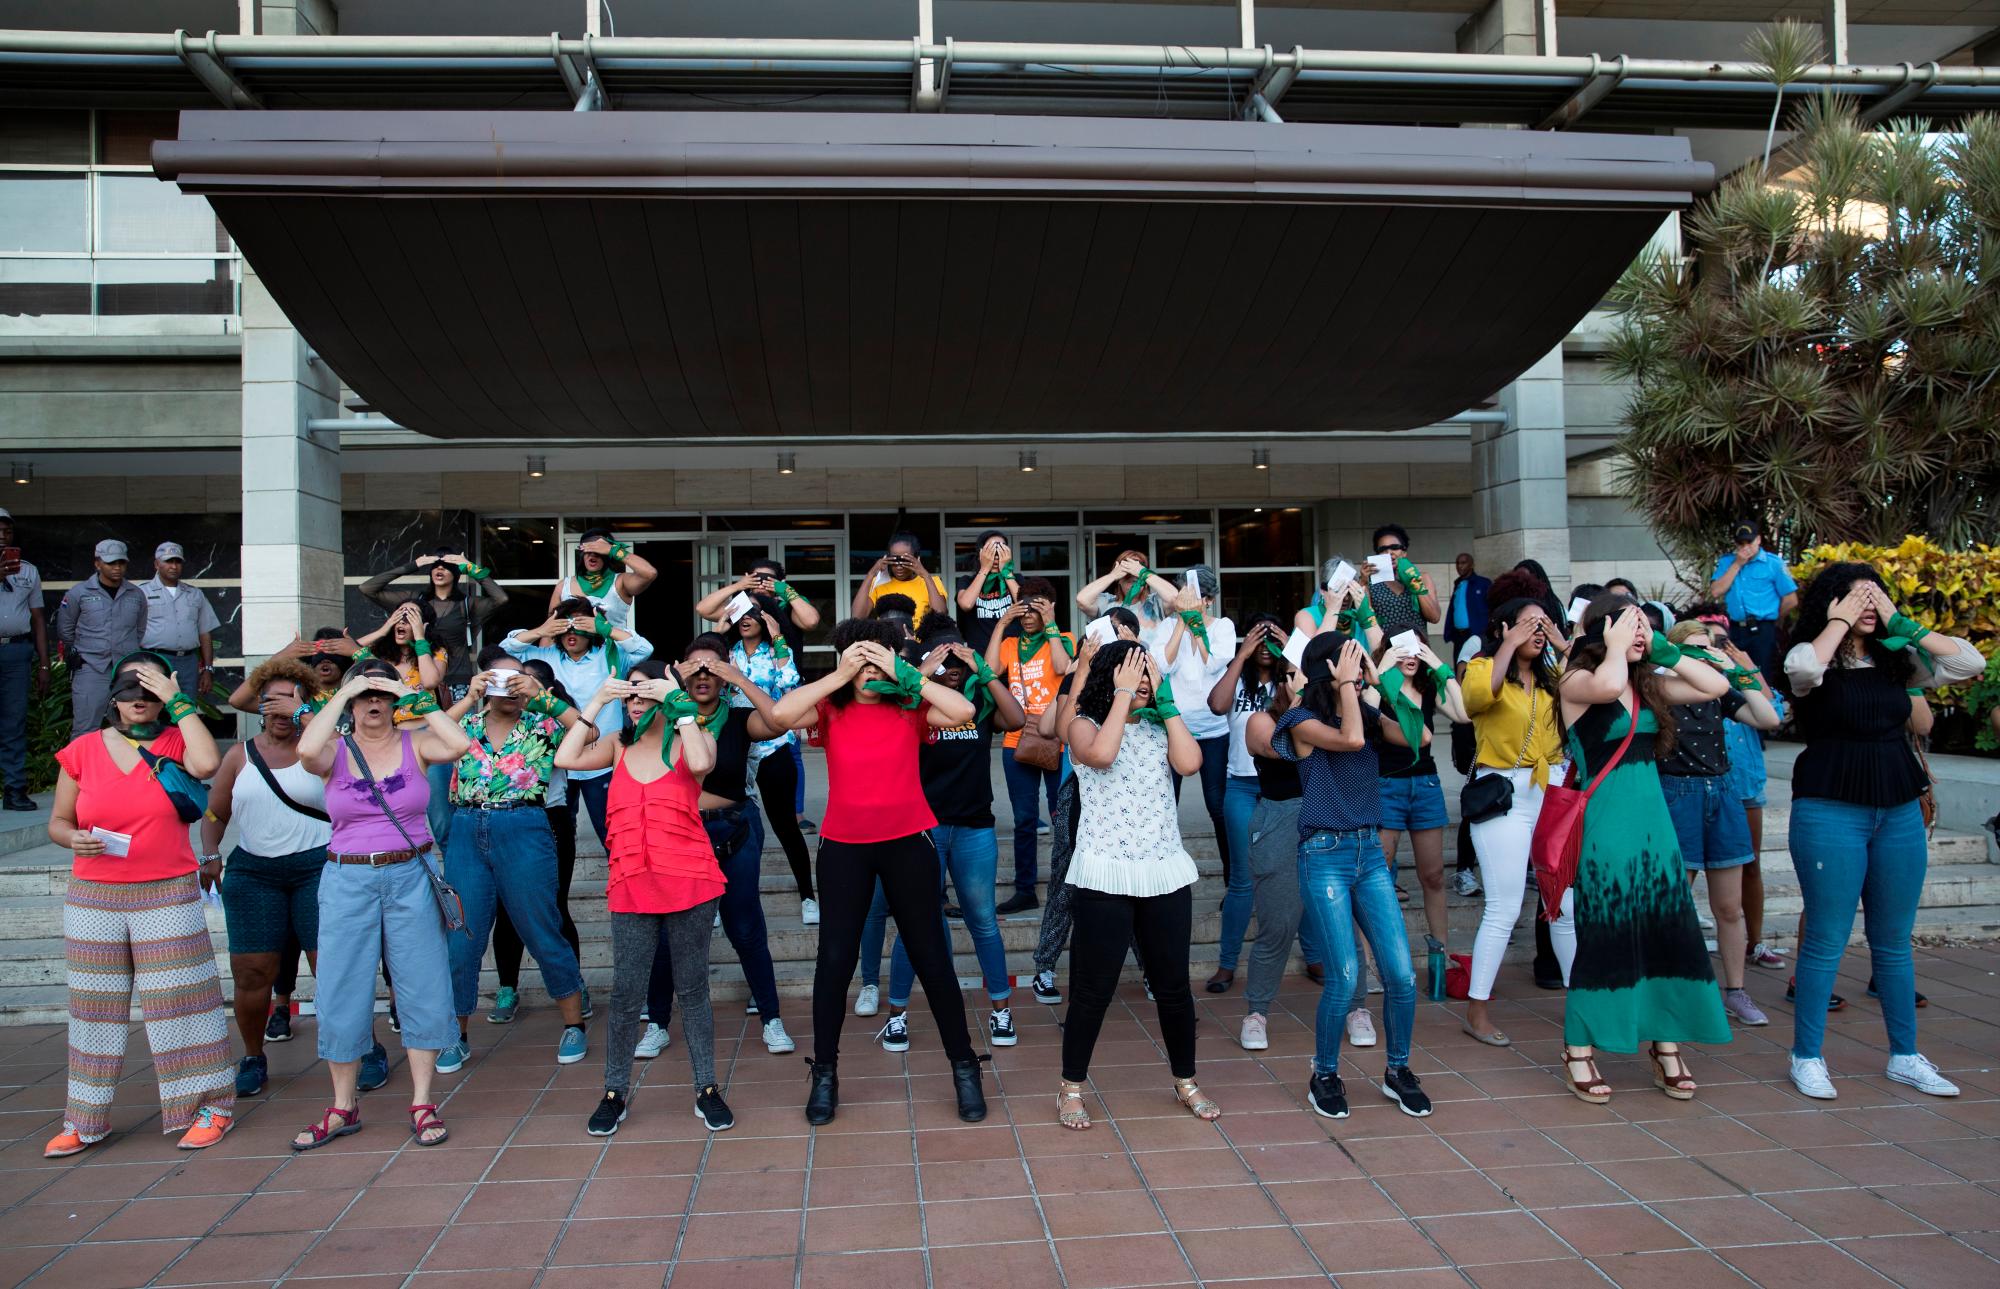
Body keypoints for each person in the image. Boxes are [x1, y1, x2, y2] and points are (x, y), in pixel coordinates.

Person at [764, 618, 986, 1125]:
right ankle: (824, 1072)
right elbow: (779, 714)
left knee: (932, 957)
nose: (870, 667)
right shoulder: (829, 705)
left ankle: (964, 1066)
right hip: (844, 846)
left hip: (909, 841)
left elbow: (964, 709)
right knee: (834, 962)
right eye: (859, 657)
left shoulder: (910, 704)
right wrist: (840, 674)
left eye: (878, 656)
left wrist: (903, 672)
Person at [1782, 565, 1985, 1101]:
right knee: (1826, 938)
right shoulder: (1811, 652)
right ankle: (1806, 1056)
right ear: (1830, 603)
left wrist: (1904, 624)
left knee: (1894, 942)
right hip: (1830, 807)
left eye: (1875, 596)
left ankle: (1906, 1056)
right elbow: (1803, 670)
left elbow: (1969, 661)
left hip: (1897, 805)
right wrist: (1837, 622)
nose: (1866, 606)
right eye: (1854, 596)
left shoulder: (1899, 659)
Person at [44, 651, 233, 1157]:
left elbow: (208, 763)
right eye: (130, 691)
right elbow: (59, 821)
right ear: (113, 698)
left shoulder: (175, 738)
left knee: (181, 999)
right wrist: (70, 840)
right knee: (93, 1008)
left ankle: (209, 1107)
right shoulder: (83, 749)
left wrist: (178, 699)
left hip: (167, 889)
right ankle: (83, 1120)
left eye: (150, 692)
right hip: (94, 894)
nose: (140, 701)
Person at [1554, 597, 1733, 1104]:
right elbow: (1607, 685)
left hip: (1655, 829)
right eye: (1632, 626)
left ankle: (1666, 1045)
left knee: (1666, 933)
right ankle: (1578, 1050)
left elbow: (1716, 686)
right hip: (1606, 830)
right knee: (1607, 935)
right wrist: (1615, 646)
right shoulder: (1576, 682)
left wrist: (1664, 651)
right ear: (1604, 630)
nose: (1641, 634)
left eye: (1647, 627)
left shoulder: (1647, 685)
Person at [291, 658, 470, 1151]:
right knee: (341, 985)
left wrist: (409, 693)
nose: (374, 702)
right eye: (365, 695)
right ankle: (342, 1106)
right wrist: (344, 694)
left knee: (423, 981)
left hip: (411, 873)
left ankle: (422, 1101)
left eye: (382, 695)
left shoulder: (417, 743)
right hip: (348, 876)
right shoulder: (334, 747)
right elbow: (306, 749)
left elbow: (458, 744)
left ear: (394, 701)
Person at [557, 657, 735, 1134]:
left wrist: (676, 703)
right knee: (626, 993)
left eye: (644, 691)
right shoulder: (615, 745)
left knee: (693, 990)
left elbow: (701, 764)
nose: (635, 700)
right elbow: (565, 758)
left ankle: (707, 1088)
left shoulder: (691, 740)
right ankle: (615, 1092)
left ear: (665, 693)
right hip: (632, 884)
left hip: (690, 882)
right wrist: (598, 699)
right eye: (629, 693)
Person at [1056, 639, 1218, 1130]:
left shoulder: (1160, 725)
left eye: (1149, 673)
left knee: (1173, 987)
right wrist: (1123, 695)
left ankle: (1186, 1080)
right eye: (1134, 673)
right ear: (1112, 677)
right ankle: (1071, 1086)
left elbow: (1190, 763)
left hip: (1163, 869)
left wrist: (1165, 705)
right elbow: (1101, 756)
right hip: (1105, 871)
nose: (1145, 682)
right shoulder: (1082, 724)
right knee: (1093, 989)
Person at [1269, 632, 1430, 1120]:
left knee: (1402, 974)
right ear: (1328, 668)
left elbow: (1419, 737)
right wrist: (1348, 688)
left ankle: (1398, 1070)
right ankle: (1324, 1073)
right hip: (1324, 852)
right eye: (1353, 662)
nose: (1360, 670)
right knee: (1342, 974)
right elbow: (1352, 741)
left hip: (1369, 851)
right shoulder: (1299, 719)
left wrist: (1382, 684)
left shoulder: (1362, 706)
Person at [634, 636, 795, 1059]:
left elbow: (779, 721)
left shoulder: (740, 718)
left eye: (713, 668)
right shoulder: (661, 719)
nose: (704, 675)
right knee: (668, 932)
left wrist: (738, 676)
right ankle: (657, 1022)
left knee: (745, 926)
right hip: (676, 832)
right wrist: (669, 683)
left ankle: (772, 1019)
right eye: (695, 668)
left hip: (732, 829)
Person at [866, 629, 1026, 1054]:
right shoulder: (915, 703)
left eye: (958, 663)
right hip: (922, 828)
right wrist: (922, 667)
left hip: (974, 826)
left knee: (983, 921)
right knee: (915, 923)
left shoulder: (979, 699)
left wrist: (984, 669)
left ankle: (1000, 1010)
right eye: (944, 662)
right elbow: (891, 707)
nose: (952, 670)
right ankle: (896, 1014)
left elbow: (1018, 720)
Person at [435, 647, 589, 1074]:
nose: (508, 686)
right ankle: (456, 1035)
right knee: (463, 936)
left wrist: (542, 696)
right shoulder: (464, 723)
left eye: (516, 678)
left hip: (524, 824)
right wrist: (469, 697)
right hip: (466, 828)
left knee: (541, 926)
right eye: (498, 678)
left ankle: (574, 1023)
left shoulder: (543, 723)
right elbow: (426, 741)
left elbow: (588, 733)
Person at [201, 657, 332, 1099]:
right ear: (258, 706)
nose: (277, 711)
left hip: (319, 866)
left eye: (288, 700)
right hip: (255, 871)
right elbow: (216, 812)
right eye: (269, 701)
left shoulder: (324, 748)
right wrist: (208, 854)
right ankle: (254, 1056)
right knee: (252, 972)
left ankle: (359, 1047)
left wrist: (307, 719)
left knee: (330, 966)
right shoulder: (240, 754)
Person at [1459, 596, 1571, 1046]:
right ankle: (1477, 1008)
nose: (1536, 631)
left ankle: (1582, 1002)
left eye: (1542, 624)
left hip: (1553, 790)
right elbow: (1474, 701)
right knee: (1504, 906)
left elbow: (1594, 688)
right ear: (1504, 628)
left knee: (1564, 906)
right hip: (1504, 792)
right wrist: (1509, 645)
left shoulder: (1553, 677)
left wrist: (1561, 643)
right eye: (1527, 624)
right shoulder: (1485, 667)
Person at [1658, 621, 1781, 1028]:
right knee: (1676, 903)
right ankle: (1674, 990)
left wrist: (1736, 669)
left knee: (1729, 907)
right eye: (1693, 650)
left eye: (1705, 648)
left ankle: (1736, 991)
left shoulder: (1719, 691)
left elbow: (1767, 718)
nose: (1702, 656)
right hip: (1678, 794)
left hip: (1723, 793)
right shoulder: (1659, 689)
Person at [502, 598, 654, 851]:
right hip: (557, 759)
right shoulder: (545, 656)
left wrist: (603, 628)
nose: (572, 631)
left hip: (601, 760)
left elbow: (643, 649)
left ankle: (622, 886)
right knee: (559, 835)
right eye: (566, 624)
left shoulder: (610, 655)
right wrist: (541, 630)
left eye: (579, 624)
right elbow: (505, 651)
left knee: (613, 832)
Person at [490, 658, 583, 1026]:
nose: (517, 689)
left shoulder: (554, 721)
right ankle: (507, 987)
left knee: (554, 907)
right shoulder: (488, 721)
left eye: (525, 684)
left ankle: (573, 985)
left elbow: (586, 731)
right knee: (505, 910)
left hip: (550, 819)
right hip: (499, 819)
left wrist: (544, 702)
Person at [698, 558, 821, 832]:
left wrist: (782, 590)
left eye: (769, 578)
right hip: (738, 711)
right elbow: (703, 608)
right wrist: (742, 585)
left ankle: (796, 814)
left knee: (789, 758)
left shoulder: (786, 607)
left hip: (781, 695)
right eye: (758, 577)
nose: (763, 583)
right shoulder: (741, 608)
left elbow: (812, 620)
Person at [1204, 612, 1290, 994]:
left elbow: (1308, 706)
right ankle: (1226, 964)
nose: (1266, 646)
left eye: (1272, 639)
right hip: (1240, 786)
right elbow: (1216, 705)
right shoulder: (1237, 677)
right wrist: (1241, 655)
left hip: (1286, 787)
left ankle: (1316, 956)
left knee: (1295, 875)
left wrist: (1289, 651)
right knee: (1241, 880)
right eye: (1260, 637)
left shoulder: (1291, 679)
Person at [1151, 565, 1236, 930]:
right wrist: (1182, 623)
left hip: (1214, 731)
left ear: (1208, 600)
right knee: (1164, 803)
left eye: (1195, 596)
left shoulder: (1223, 627)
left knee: (1218, 806)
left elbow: (1215, 662)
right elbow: (1159, 665)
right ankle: (1161, 880)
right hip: (1175, 731)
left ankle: (1235, 882)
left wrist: (1197, 625)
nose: (1185, 601)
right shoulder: (1168, 627)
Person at [1375, 634, 1467, 963]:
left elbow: (1464, 713)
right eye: (1402, 649)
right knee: (1378, 876)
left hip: (1425, 785)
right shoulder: (1379, 687)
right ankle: (1376, 961)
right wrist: (1384, 668)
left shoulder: (1428, 689)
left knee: (1434, 875)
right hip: (1386, 785)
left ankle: (1439, 956)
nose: (1411, 656)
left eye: (1417, 649)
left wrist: (1441, 668)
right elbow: (1368, 707)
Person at [726, 601, 815, 923]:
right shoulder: (727, 652)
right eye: (741, 615)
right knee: (726, 825)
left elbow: (791, 682)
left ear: (766, 620)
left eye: (754, 614)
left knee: (786, 827)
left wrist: (779, 639)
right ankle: (719, 900)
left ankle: (808, 896)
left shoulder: (776, 649)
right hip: (736, 747)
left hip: (774, 746)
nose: (747, 620)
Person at [989, 577, 1073, 914]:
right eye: (1023, 608)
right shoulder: (1010, 644)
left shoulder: (1063, 638)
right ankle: (1025, 889)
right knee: (1024, 819)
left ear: (1048, 608)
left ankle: (1066, 886)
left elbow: (1062, 667)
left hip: (1056, 738)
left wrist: (1050, 622)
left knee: (1061, 817)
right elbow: (990, 670)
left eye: (1035, 609)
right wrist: (1001, 623)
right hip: (1017, 739)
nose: (1028, 615)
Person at [1238, 668, 1306, 1051]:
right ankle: (1257, 1012)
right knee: (1277, 926)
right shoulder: (1261, 718)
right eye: (1295, 674)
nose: (1303, 680)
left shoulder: (1336, 716)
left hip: (1329, 822)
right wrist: (1301, 704)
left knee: (1344, 926)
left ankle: (1357, 1008)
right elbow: (1280, 748)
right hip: (1279, 821)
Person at [360, 547, 510, 699]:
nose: (440, 568)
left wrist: (471, 567)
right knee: (416, 721)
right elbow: (367, 588)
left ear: (456, 573)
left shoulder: (466, 604)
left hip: (456, 679)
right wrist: (413, 565)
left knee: (455, 723)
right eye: (436, 566)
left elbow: (501, 598)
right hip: (420, 676)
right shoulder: (415, 600)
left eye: (446, 566)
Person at [55, 539, 147, 740]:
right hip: (91, 668)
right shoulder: (79, 593)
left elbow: (140, 631)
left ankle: (127, 771)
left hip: (126, 669)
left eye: (121, 563)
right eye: (111, 563)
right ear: (97, 563)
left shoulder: (136, 594)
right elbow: (65, 630)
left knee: (131, 727)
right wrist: (83, 651)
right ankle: (80, 772)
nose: (117, 568)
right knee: (85, 730)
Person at [1707, 518, 1798, 686]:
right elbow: (1716, 591)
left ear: (1758, 539)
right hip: (1735, 627)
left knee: (1762, 676)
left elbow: (1791, 599)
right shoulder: (1727, 562)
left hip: (1762, 629)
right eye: (1740, 543)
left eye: (1749, 541)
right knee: (1735, 674)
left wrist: (1774, 618)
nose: (1745, 547)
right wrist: (1737, 564)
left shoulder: (1773, 563)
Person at [0, 510, 50, 811]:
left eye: (7, 531)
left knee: (14, 724)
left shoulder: (28, 571)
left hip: (17, 653)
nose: (2, 536)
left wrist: (44, 664)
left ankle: (14, 789)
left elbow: (38, 618)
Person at [138, 542, 220, 703]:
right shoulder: (141, 593)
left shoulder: (195, 594)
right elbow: (130, 631)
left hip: (188, 663)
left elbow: (205, 633)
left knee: (186, 709)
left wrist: (208, 669)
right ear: (156, 564)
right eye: (168, 561)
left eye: (177, 561)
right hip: (155, 660)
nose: (173, 566)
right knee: (154, 710)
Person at [549, 529, 657, 628]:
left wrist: (614, 550)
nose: (593, 555)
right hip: (573, 648)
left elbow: (649, 573)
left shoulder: (620, 582)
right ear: (582, 553)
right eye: (588, 550)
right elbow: (550, 629)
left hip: (613, 648)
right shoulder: (564, 585)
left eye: (599, 552)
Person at [853, 531, 948, 627]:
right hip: (887, 641)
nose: (899, 566)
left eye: (904, 560)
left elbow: (941, 615)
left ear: (917, 559)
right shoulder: (879, 583)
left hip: (921, 641)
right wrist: (871, 573)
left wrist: (925, 575)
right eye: (894, 560)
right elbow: (857, 617)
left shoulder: (932, 581)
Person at [1368, 524, 1442, 638]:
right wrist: (1362, 583)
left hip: (1418, 649)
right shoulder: (1371, 583)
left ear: (1404, 552)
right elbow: (1366, 621)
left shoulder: (1422, 577)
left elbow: (1434, 617)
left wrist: (1414, 582)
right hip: (1386, 650)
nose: (1389, 553)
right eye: (1383, 549)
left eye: (1394, 547)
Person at [1076, 551, 1180, 632]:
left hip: (1151, 659)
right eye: (1127, 574)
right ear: (1119, 580)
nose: (1133, 572)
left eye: (1137, 568)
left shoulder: (1155, 603)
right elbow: (1082, 600)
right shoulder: (1107, 603)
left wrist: (1143, 573)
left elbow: (1175, 598)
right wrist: (1112, 575)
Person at [956, 528, 1019, 653]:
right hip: (980, 656)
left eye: (1001, 552)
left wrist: (1006, 572)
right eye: (990, 552)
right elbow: (966, 604)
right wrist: (985, 568)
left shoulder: (1016, 580)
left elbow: (1026, 604)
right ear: (980, 554)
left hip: (1013, 654)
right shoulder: (967, 581)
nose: (996, 558)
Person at [1444, 552, 1490, 663]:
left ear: (1472, 565)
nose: (1460, 566)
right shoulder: (1458, 584)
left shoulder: (1484, 583)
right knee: (1459, 665)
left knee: (1475, 666)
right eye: (1458, 563)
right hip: (1459, 636)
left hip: (1476, 635)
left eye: (1463, 563)